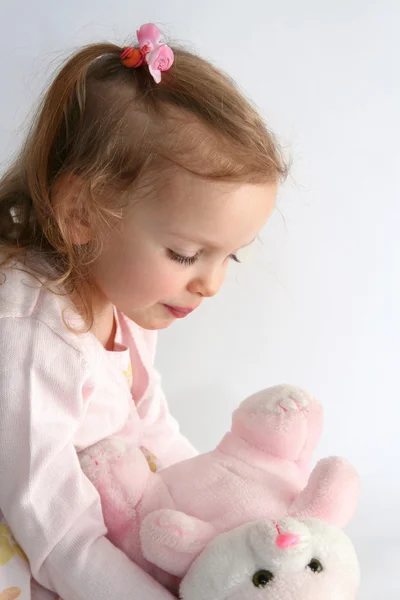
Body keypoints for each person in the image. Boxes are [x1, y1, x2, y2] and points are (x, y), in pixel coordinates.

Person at [0, 22, 287, 600]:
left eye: (230, 255)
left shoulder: (124, 297)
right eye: (186, 253)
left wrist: (216, 518)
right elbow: (51, 527)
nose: (211, 283)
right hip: (32, 534)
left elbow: (152, 428)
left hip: (84, 523)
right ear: (81, 213)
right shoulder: (33, 334)